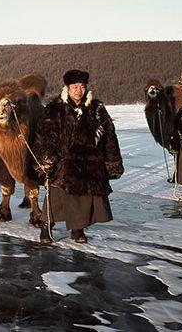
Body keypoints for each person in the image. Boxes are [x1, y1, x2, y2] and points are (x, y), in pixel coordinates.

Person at [32, 70, 123, 244]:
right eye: (75, 87)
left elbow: (109, 137)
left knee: (83, 199)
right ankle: (46, 227)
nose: (78, 90)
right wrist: (45, 162)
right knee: (55, 198)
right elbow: (43, 137)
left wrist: (112, 162)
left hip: (89, 163)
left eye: (82, 87)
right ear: (67, 88)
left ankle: (77, 229)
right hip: (62, 164)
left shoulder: (96, 109)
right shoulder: (54, 109)